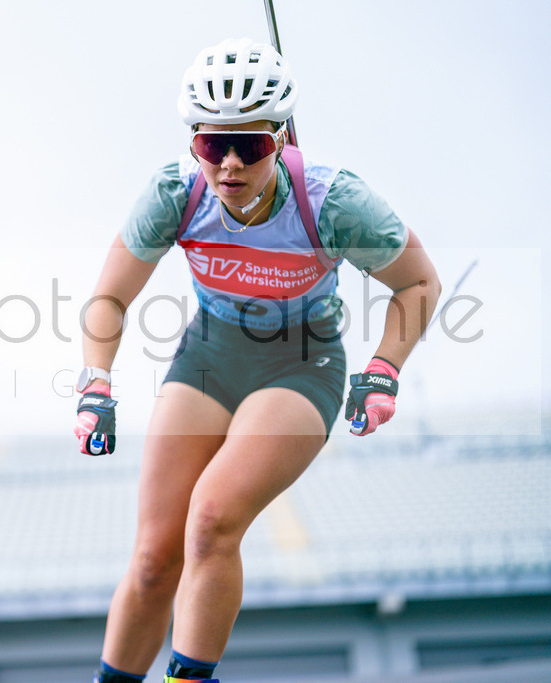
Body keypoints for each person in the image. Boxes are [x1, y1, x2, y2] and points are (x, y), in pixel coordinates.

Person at [73, 38, 441, 683]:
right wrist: (94, 384)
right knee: (155, 559)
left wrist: (385, 368)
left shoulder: (333, 203)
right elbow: (109, 298)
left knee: (211, 521)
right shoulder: (175, 195)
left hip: (301, 364)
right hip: (211, 355)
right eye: (213, 144)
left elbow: (418, 283)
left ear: (282, 137)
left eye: (252, 144)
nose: (231, 164)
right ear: (193, 143)